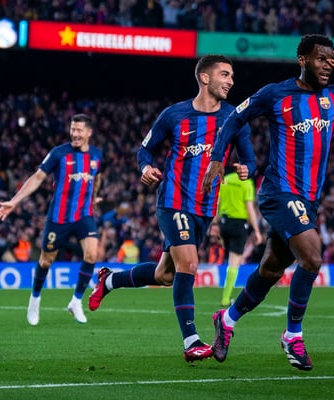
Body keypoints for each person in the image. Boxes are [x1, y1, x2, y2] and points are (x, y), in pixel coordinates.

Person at [202, 34, 334, 371]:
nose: (328, 65)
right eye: (321, 59)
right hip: (279, 192)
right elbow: (234, 119)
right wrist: (217, 158)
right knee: (313, 256)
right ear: (302, 60)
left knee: (270, 269)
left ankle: (227, 319)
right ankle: (293, 336)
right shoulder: (275, 94)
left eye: (331, 60)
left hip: (309, 200)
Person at [88, 54, 256, 363]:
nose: (231, 81)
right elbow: (145, 149)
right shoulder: (174, 115)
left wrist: (247, 168)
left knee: (165, 275)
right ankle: (191, 341)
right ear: (204, 78)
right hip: (173, 200)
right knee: (188, 265)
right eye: (224, 74)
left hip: (205, 208)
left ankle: (110, 280)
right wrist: (146, 167)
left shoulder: (234, 118)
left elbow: (250, 158)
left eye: (232, 75)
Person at [0, 113, 102, 326]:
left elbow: (97, 177)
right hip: (58, 217)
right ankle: (34, 299)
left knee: (92, 254)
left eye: (79, 130)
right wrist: (14, 201)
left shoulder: (97, 155)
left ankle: (76, 301)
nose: (75, 134)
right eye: (72, 129)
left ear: (89, 132)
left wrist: (94, 198)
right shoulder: (59, 153)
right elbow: (37, 178)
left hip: (84, 215)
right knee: (46, 261)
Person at [216, 166, 263, 307]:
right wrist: (257, 230)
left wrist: (215, 224)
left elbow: (217, 203)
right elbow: (250, 208)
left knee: (229, 259)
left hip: (224, 223)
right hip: (239, 225)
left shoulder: (225, 180)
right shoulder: (247, 183)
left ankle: (226, 293)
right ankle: (226, 298)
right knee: (235, 262)